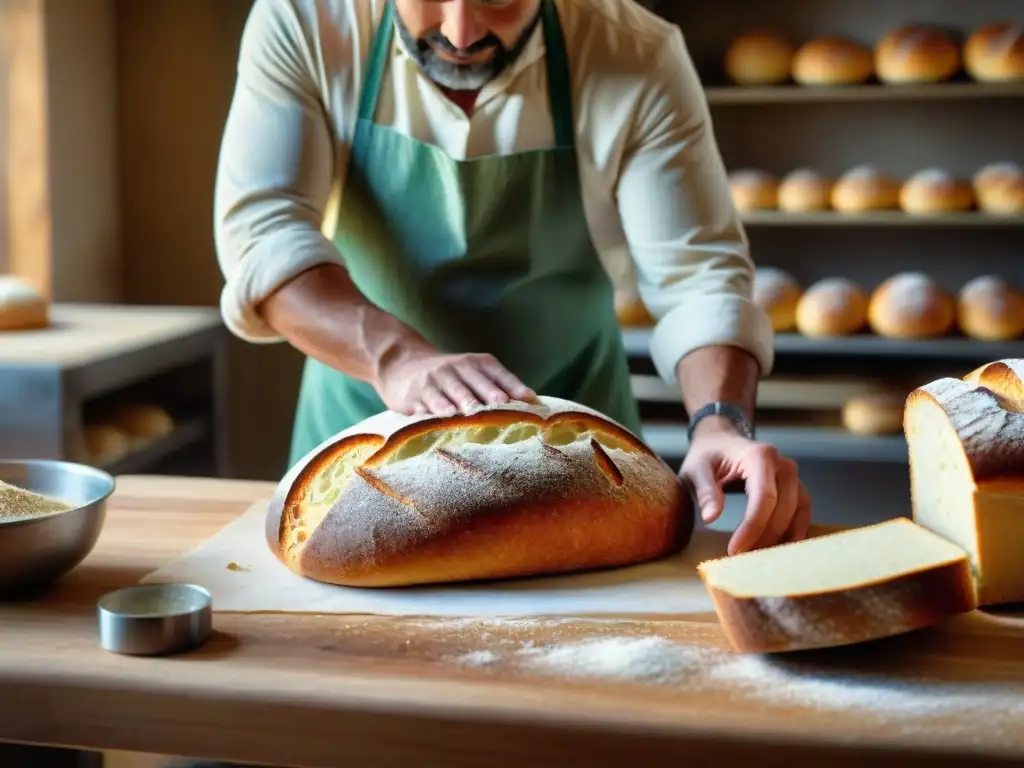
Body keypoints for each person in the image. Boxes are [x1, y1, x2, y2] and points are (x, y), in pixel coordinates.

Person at [214, 0, 812, 558]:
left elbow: (700, 275)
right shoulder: (305, 23)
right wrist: (396, 357)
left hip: (582, 459)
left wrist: (720, 424)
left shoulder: (634, 52)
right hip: (361, 449)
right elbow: (265, 237)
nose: (460, 34)